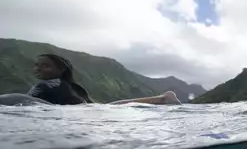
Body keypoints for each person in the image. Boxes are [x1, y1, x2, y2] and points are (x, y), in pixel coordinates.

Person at [28, 53, 181, 105]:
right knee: (111, 106)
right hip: (83, 112)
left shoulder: (46, 86)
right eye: (36, 65)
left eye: (46, 66)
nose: (39, 68)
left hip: (81, 114)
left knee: (112, 107)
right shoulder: (62, 85)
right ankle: (163, 99)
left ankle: (163, 99)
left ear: (60, 70)